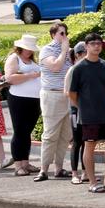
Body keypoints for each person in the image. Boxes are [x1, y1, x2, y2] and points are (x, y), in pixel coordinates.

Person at [68, 34, 105, 193]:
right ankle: (92, 182)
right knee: (89, 146)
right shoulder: (79, 68)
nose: (97, 46)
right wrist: (82, 107)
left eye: (99, 43)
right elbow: (72, 93)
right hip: (88, 115)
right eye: (93, 44)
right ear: (86, 46)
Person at [36, 22, 73, 182]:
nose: (64, 37)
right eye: (61, 33)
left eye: (65, 33)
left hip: (67, 96)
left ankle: (59, 168)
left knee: (66, 135)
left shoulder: (69, 52)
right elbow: (55, 66)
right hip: (52, 95)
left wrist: (68, 51)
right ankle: (43, 170)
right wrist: (64, 50)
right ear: (53, 35)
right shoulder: (47, 50)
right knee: (50, 135)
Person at [4, 35, 42, 176]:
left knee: (27, 132)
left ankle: (25, 162)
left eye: (31, 49)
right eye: (27, 49)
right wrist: (30, 75)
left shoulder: (32, 60)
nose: (29, 51)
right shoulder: (14, 58)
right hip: (18, 98)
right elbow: (10, 78)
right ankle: (18, 164)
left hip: (34, 99)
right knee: (19, 131)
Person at [63, 41, 88, 183]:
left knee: (87, 141)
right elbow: (67, 92)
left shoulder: (89, 68)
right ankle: (74, 173)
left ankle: (86, 172)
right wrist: (79, 105)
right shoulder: (73, 70)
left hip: (88, 110)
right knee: (77, 141)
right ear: (78, 54)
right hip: (75, 110)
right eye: (85, 52)